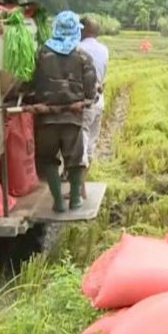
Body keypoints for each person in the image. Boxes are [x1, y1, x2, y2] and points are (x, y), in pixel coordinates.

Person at [28, 11, 98, 213]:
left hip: (46, 118)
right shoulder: (83, 56)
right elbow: (90, 90)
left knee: (48, 159)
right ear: (76, 31)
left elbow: (30, 84)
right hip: (72, 118)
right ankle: (75, 199)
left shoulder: (41, 53)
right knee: (74, 160)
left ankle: (58, 202)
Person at [76, 16, 110, 197]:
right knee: (90, 144)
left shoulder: (78, 49)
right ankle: (83, 185)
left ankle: (79, 188)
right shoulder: (104, 49)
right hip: (100, 100)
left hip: (86, 101)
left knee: (80, 142)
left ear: (82, 30)